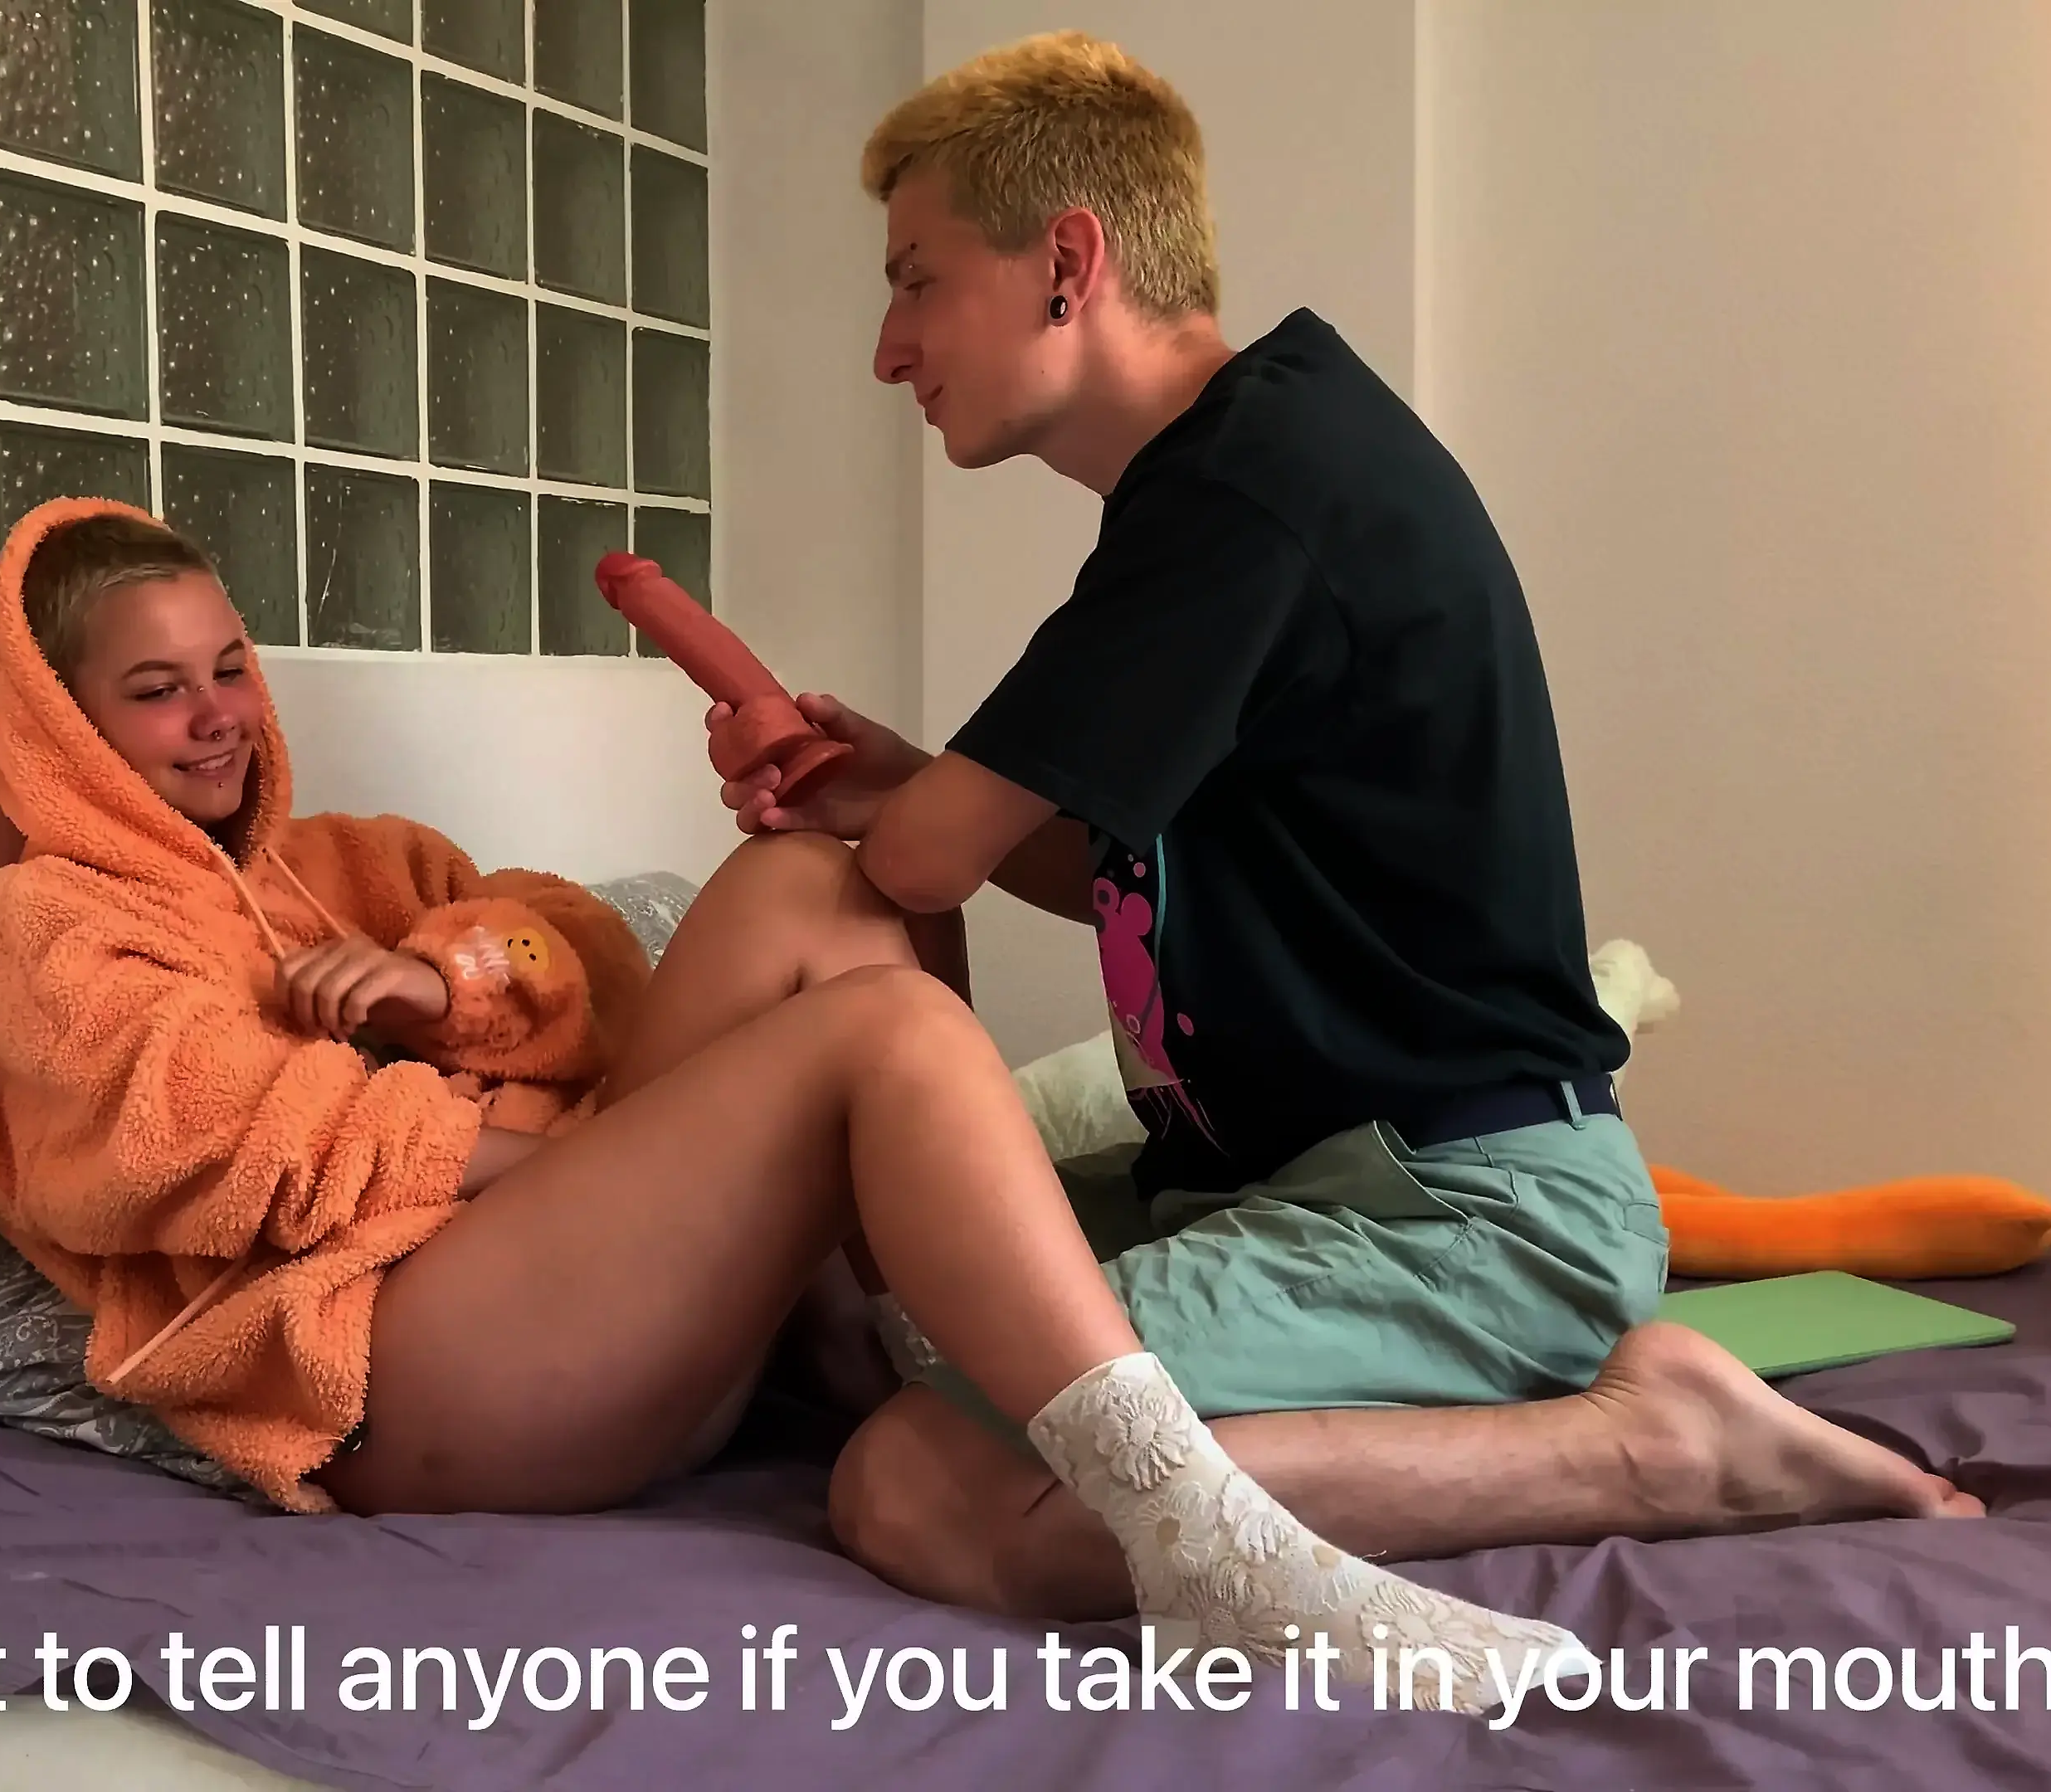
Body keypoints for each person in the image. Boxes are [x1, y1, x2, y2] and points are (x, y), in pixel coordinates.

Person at [0, 495, 1593, 1716]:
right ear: (65, 732)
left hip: (570, 1310)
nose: (219, 716)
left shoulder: (344, 865)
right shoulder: (55, 929)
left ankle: (884, 1344)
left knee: (824, 878)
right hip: (398, 1377)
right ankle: (1198, 1530)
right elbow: (197, 1145)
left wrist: (448, 985)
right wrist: (538, 1154)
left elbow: (585, 958)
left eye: (228, 667)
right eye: (156, 692)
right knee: (881, 1036)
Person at [721, 29, 1979, 1618]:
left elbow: (917, 867)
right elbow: (1102, 869)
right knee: (884, 1316)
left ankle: (1654, 1451)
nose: (889, 350)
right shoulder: (1236, 480)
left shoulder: (1248, 492)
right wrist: (900, 775)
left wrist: (902, 807)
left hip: (1466, 1214)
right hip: (1304, 1182)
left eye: (918, 282)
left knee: (918, 1486)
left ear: (1068, 264)